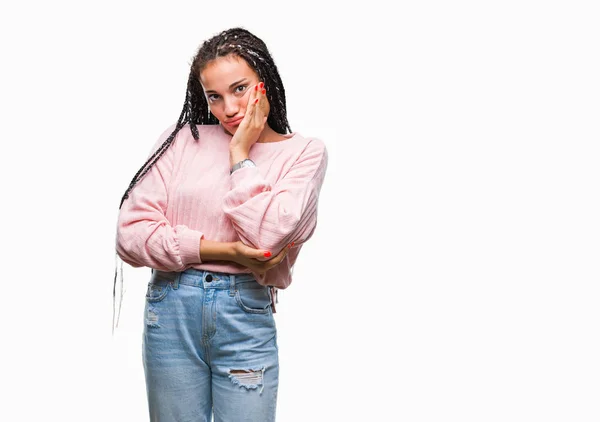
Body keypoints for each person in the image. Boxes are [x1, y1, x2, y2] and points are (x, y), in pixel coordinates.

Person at [113, 27, 328, 421]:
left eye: (240, 89)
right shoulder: (183, 141)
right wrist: (224, 251)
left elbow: (268, 234)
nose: (228, 108)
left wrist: (240, 154)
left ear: (265, 83)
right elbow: (130, 235)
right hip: (171, 308)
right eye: (214, 96)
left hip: (243, 312)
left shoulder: (304, 153)